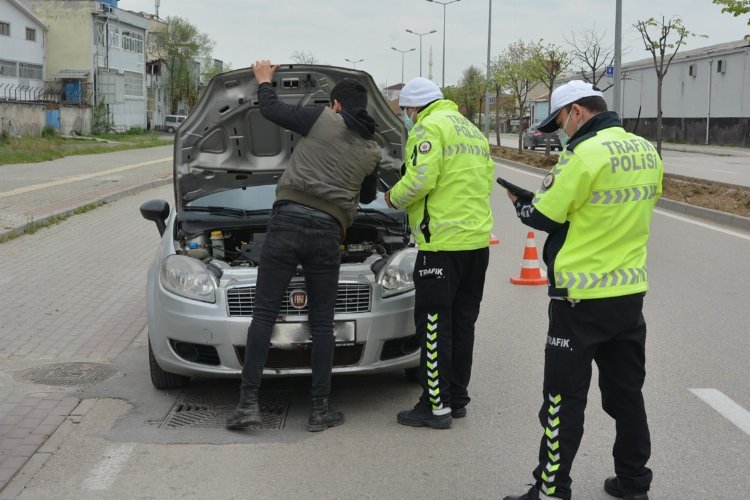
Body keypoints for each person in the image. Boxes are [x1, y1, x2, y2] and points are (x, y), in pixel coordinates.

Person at [501, 80, 663, 500]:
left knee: (561, 400)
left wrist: (520, 203)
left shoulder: (583, 155)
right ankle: (633, 483)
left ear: (576, 111)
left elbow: (544, 215)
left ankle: (551, 489)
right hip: (628, 297)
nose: (562, 132)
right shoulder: (646, 150)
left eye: (560, 122)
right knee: (626, 395)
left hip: (579, 301)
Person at [226, 60, 381, 432]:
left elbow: (273, 110)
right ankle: (319, 410)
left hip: (287, 223)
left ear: (337, 105)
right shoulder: (373, 150)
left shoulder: (322, 118)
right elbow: (370, 195)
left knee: (264, 314)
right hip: (329, 232)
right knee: (322, 322)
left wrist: (265, 80)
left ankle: (248, 404)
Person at [385, 77, 494, 430]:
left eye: (405, 112)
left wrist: (392, 198)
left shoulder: (428, 128)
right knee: (463, 324)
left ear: (413, 108)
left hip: (441, 245)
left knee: (433, 325)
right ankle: (456, 398)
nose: (406, 118)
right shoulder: (471, 130)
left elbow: (419, 180)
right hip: (476, 244)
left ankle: (435, 406)